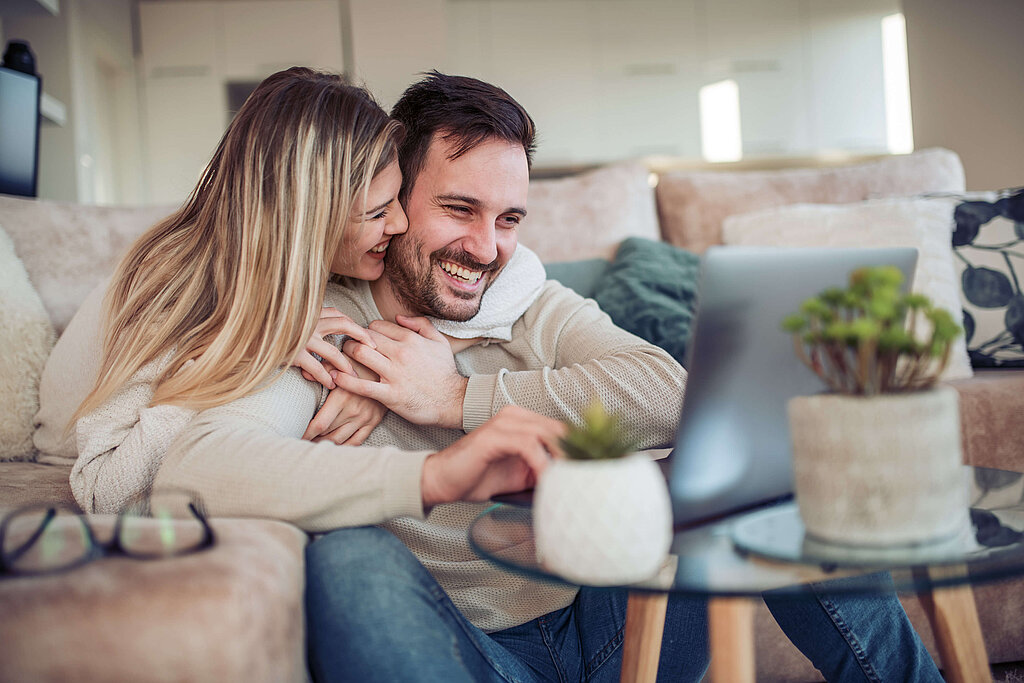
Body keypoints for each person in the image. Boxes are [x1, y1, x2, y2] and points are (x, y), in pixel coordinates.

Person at [270, 72, 941, 682]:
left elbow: (668, 393)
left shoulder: (524, 298)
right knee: (348, 559)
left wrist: (455, 397)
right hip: (472, 653)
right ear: (394, 200)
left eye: (508, 219)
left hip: (614, 627)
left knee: (763, 465)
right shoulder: (319, 324)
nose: (486, 247)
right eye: (458, 208)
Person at [41, 67, 561, 516]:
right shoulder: (175, 285)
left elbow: (520, 273)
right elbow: (102, 490)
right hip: (71, 452)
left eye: (396, 201)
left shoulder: (310, 267)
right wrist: (251, 349)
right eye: (379, 212)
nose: (400, 223)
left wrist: (376, 379)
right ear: (311, 218)